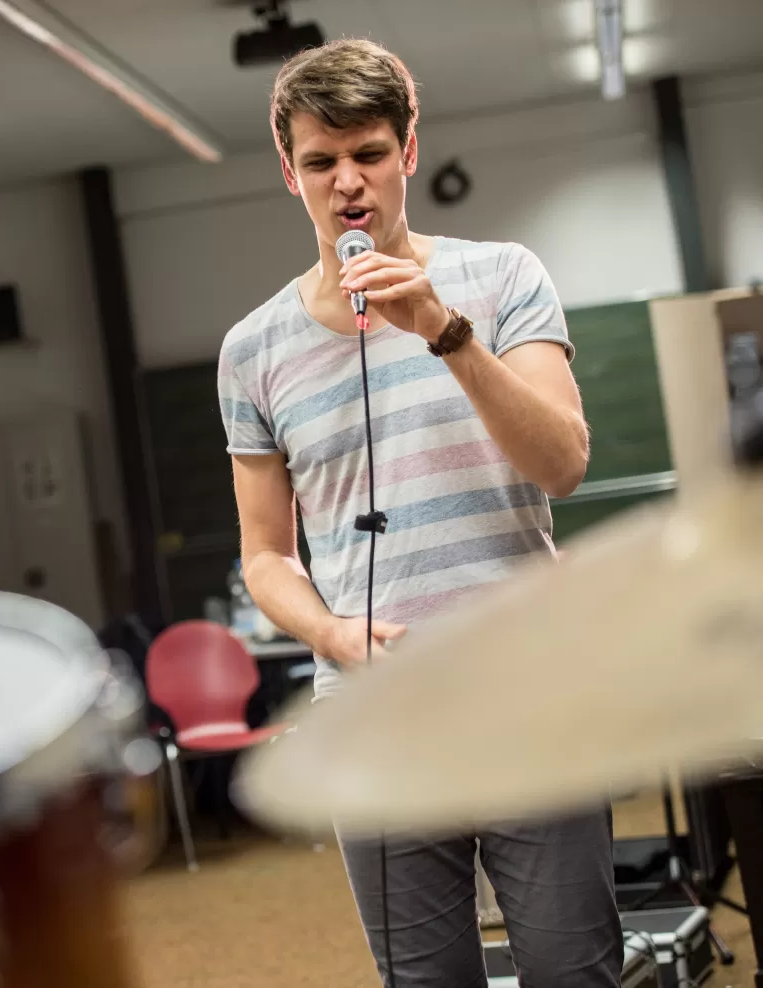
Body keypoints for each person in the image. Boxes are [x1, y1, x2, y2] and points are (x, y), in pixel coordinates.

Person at [217, 39, 620, 988]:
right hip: (375, 715)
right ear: (290, 173)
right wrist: (331, 633)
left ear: (407, 152)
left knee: (575, 972)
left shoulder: (502, 278)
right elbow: (266, 558)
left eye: (368, 153)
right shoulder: (251, 351)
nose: (347, 183)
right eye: (321, 162)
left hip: (532, 694)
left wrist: (443, 331)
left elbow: (563, 463)